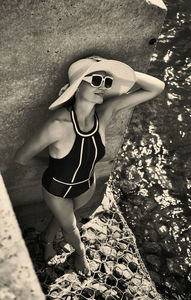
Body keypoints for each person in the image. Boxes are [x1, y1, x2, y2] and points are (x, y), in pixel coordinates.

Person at [14, 55, 165, 276]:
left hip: (87, 185)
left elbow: (156, 88)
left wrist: (110, 67)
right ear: (76, 87)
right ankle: (80, 253)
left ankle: (46, 239)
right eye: (95, 80)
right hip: (58, 189)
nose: (102, 87)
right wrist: (54, 163)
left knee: (65, 217)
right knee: (70, 227)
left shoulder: (104, 113)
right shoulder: (58, 124)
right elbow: (21, 158)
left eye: (107, 82)